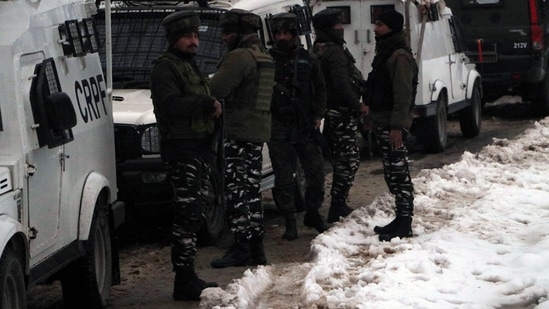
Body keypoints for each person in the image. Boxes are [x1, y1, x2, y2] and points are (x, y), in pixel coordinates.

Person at [149, 11, 221, 300]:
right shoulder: (165, 69)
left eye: (196, 36)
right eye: (188, 37)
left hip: (198, 148)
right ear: (174, 39)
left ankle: (188, 275)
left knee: (194, 214)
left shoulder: (188, 66)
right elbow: (170, 105)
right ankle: (184, 278)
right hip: (182, 149)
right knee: (187, 214)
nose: (195, 41)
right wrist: (207, 104)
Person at [209, 9, 274, 268]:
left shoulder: (239, 57)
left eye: (227, 33)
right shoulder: (264, 56)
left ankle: (242, 249)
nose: (223, 38)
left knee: (237, 193)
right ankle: (256, 247)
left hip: (238, 133)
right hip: (257, 132)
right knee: (252, 191)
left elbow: (216, 89)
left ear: (239, 33)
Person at [266, 12, 329, 240]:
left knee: (316, 172)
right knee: (283, 177)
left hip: (304, 125)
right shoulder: (266, 61)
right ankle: (289, 221)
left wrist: (318, 115)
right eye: (278, 33)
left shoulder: (308, 59)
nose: (282, 37)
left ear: (294, 34)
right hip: (278, 124)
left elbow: (321, 89)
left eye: (286, 33)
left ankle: (312, 213)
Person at [364, 10, 417, 241]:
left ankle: (405, 222)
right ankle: (400, 218)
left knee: (400, 174)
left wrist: (397, 126)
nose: (376, 29)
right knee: (392, 174)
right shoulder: (386, 53)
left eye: (380, 25)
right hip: (384, 122)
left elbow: (402, 94)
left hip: (393, 125)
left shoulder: (399, 56)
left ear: (392, 28)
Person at [311, 9, 369, 223]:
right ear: (327, 28)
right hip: (340, 113)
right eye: (337, 25)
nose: (341, 29)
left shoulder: (318, 49)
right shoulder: (334, 52)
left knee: (342, 158)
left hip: (329, 112)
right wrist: (358, 105)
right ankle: (337, 204)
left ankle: (336, 202)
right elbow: (341, 84)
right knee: (348, 159)